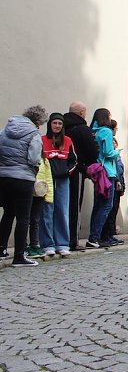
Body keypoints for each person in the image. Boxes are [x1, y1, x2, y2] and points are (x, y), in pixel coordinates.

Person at [0, 106, 47, 266]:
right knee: (23, 217)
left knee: (8, 214)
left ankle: (1, 249)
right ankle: (19, 256)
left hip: (4, 176)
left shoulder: (5, 130)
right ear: (37, 122)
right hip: (23, 178)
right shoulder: (34, 134)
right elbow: (34, 158)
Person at [40, 112, 75, 257]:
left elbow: (74, 161)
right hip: (47, 181)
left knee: (62, 211)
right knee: (46, 211)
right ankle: (47, 244)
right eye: (55, 123)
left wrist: (66, 172)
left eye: (60, 123)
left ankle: (62, 244)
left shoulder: (67, 140)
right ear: (50, 124)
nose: (57, 126)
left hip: (62, 181)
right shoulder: (42, 140)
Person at [63, 101, 97, 251]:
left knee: (61, 205)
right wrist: (88, 166)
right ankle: (72, 240)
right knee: (74, 205)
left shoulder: (61, 126)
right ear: (82, 113)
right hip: (77, 169)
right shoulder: (83, 129)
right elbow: (92, 150)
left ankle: (60, 239)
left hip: (59, 170)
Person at [85, 108, 118, 249]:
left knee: (98, 205)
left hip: (97, 171)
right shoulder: (106, 131)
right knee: (106, 205)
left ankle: (93, 237)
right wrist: (117, 152)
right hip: (107, 172)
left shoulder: (93, 131)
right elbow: (108, 152)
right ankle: (95, 237)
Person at [100, 130, 125, 247]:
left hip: (118, 185)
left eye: (115, 143)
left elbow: (120, 172)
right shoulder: (111, 157)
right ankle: (107, 235)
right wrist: (117, 181)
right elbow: (115, 171)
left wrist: (122, 185)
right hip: (113, 183)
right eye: (112, 143)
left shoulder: (117, 156)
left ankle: (110, 234)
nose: (113, 144)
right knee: (109, 211)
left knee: (113, 212)